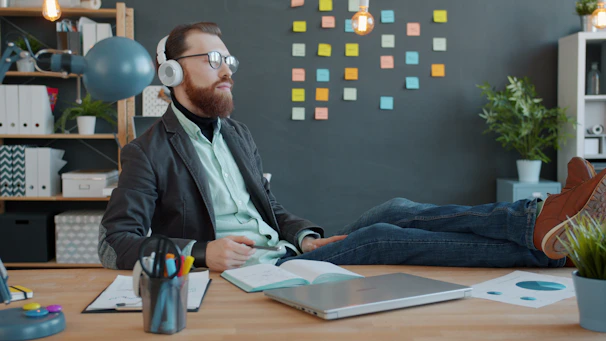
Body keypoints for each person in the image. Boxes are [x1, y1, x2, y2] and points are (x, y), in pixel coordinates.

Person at [98, 22, 606, 271]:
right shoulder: (147, 151)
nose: (227, 69)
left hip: (286, 256)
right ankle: (546, 232)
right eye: (212, 58)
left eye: (229, 58)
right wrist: (201, 253)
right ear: (170, 71)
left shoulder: (237, 134)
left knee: (395, 208)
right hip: (251, 275)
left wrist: (304, 238)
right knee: (380, 236)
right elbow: (114, 245)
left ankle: (543, 230)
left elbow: (269, 209)